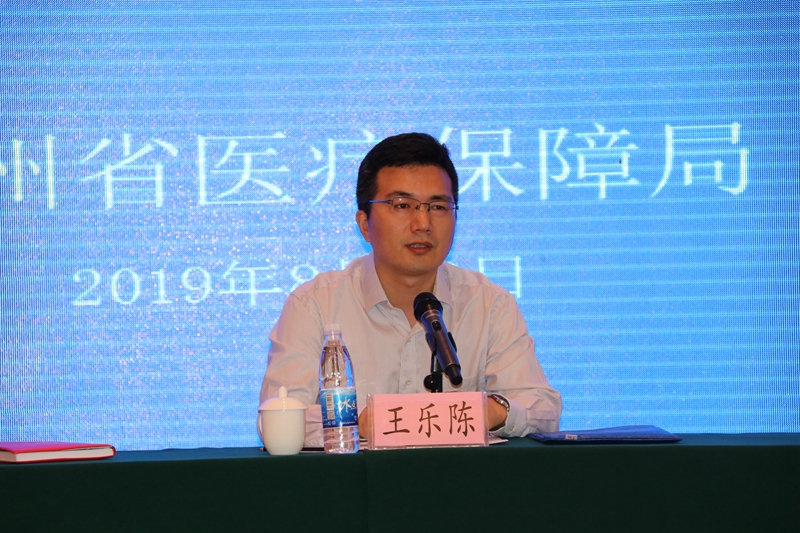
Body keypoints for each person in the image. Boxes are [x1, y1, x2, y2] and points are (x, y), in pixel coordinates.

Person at [260, 132, 561, 447]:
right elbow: (276, 419)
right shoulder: (314, 304)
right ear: (364, 224)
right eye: (402, 205)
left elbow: (543, 410)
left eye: (438, 206)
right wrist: (361, 423)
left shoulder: (489, 304)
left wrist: (490, 411)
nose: (423, 223)